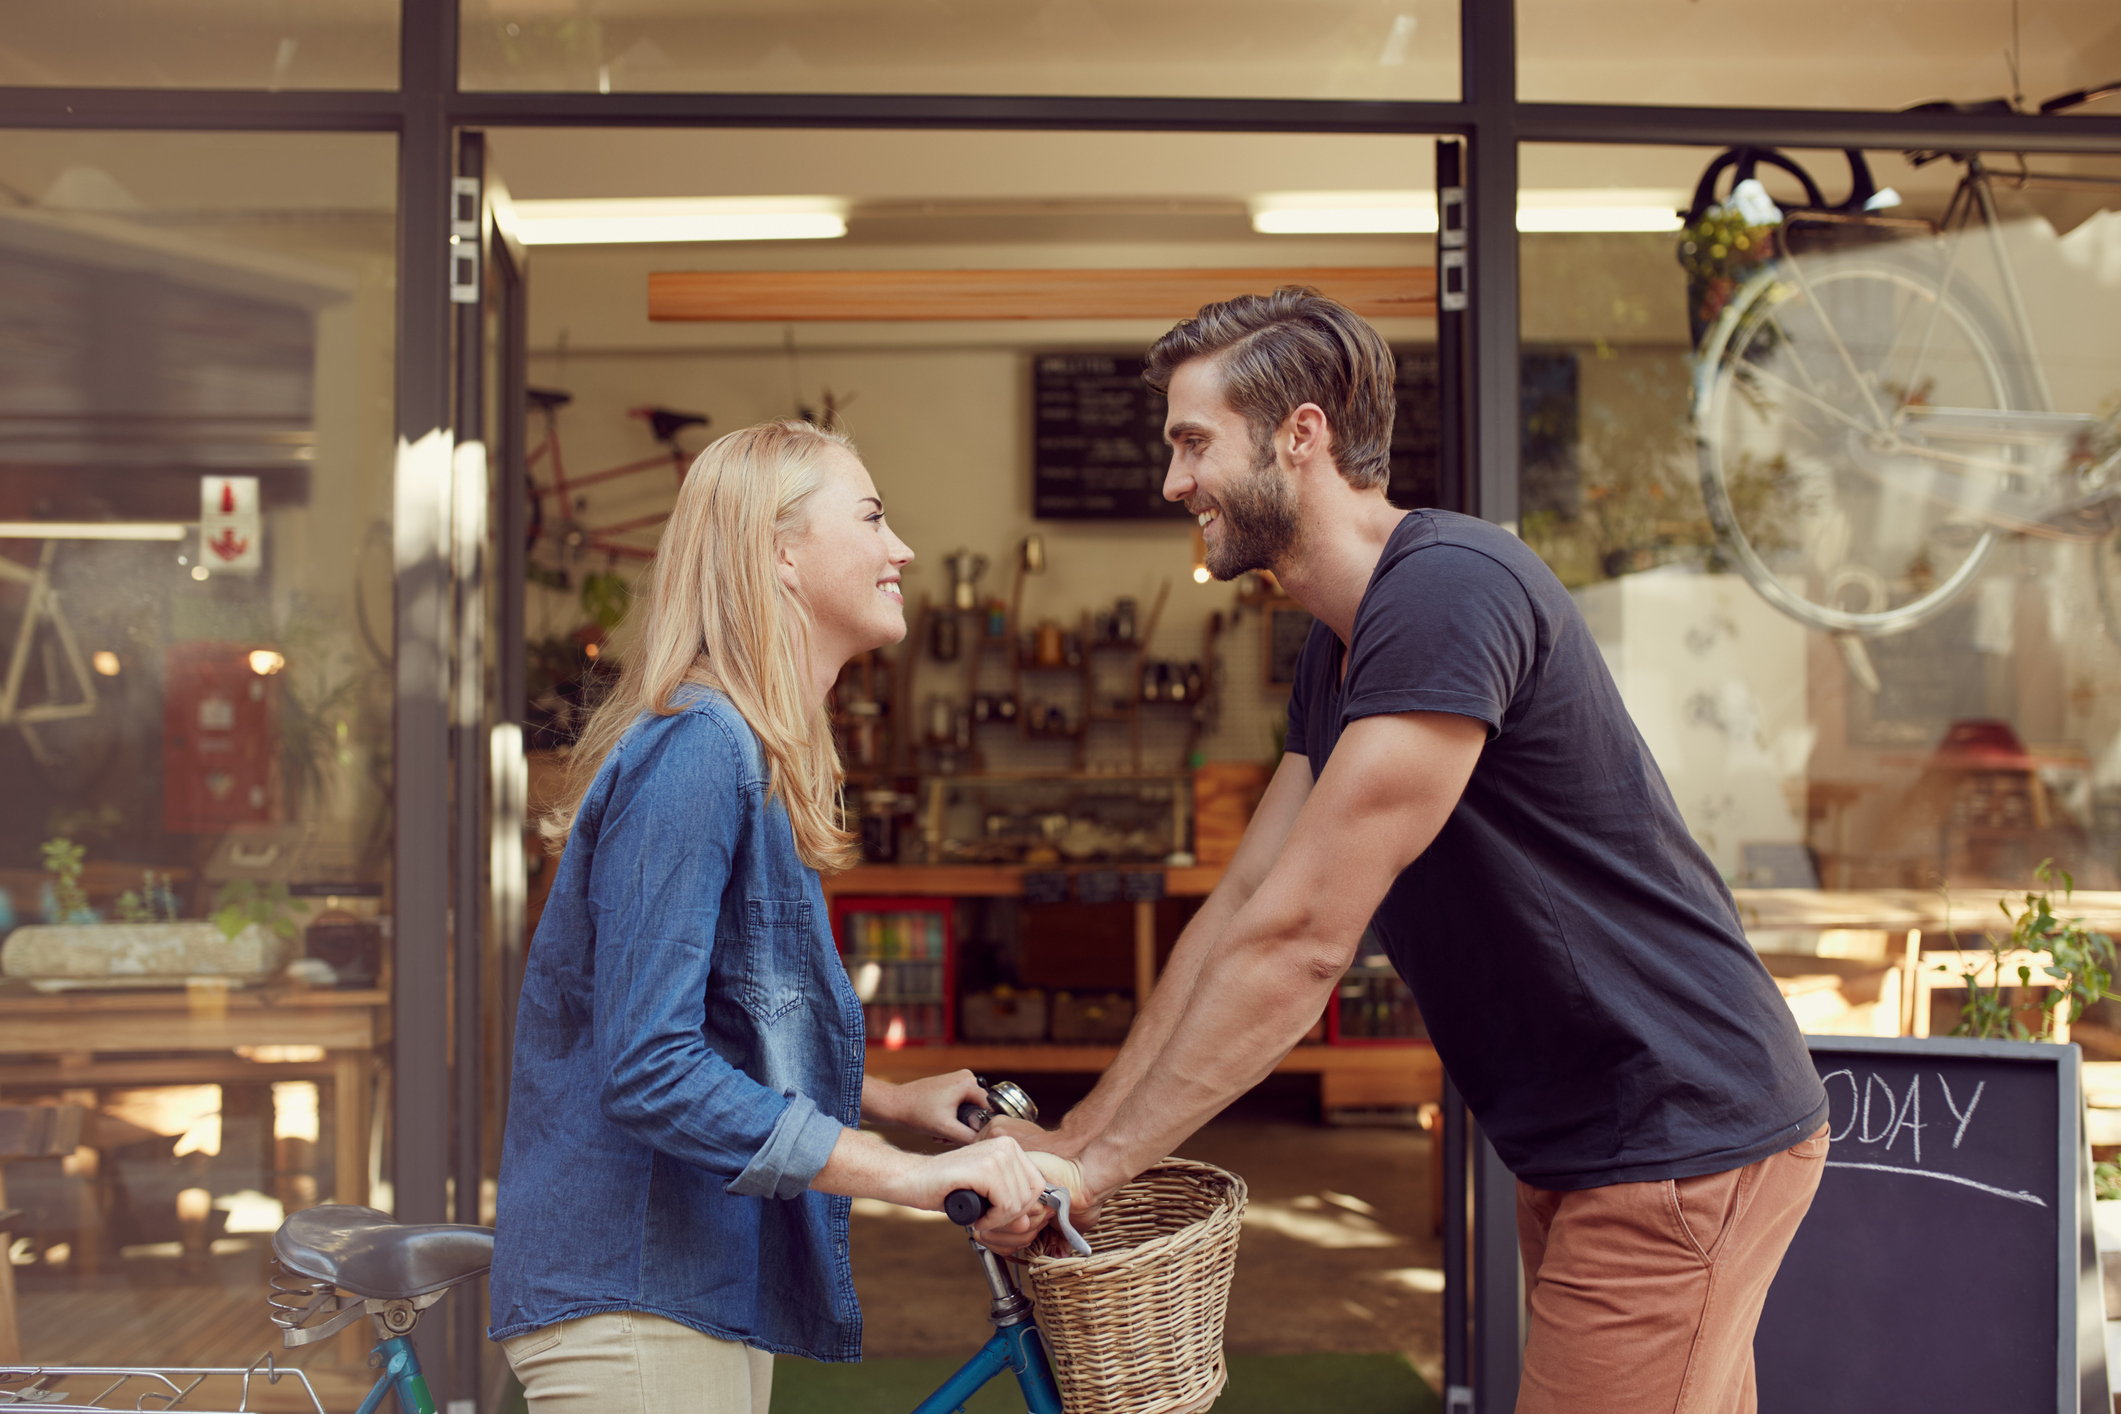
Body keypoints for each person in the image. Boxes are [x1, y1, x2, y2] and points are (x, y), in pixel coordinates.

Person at [986, 290, 1831, 1414]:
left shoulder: (1447, 589)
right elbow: (1244, 905)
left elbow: (1300, 941)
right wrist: (1078, 1136)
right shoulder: (1341, 647)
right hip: (1593, 1135)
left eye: (1193, 443)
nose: (1172, 482)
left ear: (1301, 434)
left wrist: (1096, 1171)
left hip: (1674, 1130)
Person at [488, 420, 1058, 1414]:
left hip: (690, 1282)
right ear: (780, 553)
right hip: (636, 1287)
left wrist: (888, 1097)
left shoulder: (745, 749)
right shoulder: (701, 747)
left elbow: (721, 1025)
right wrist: (909, 1178)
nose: (902, 550)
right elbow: (648, 1064)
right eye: (873, 518)